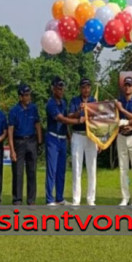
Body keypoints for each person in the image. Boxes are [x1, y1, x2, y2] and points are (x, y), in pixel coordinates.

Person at [45, 76, 84, 206]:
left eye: (62, 88)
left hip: (62, 139)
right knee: (52, 170)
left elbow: (67, 118)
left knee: (61, 170)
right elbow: (62, 119)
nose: (61, 90)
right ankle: (50, 199)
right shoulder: (51, 103)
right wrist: (78, 121)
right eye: (58, 88)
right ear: (53, 89)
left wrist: (78, 113)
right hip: (52, 138)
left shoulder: (63, 102)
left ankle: (59, 198)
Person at [8, 84, 42, 205]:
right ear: (20, 97)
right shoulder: (14, 110)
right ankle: (17, 199)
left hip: (32, 141)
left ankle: (31, 200)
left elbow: (37, 125)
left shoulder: (33, 108)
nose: (29, 97)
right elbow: (10, 131)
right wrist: (12, 150)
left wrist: (39, 141)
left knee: (32, 171)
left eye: (29, 95)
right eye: (26, 95)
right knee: (18, 172)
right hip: (19, 142)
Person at [114, 76, 132, 206]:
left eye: (129, 85)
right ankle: (125, 197)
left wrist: (122, 110)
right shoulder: (119, 100)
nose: (127, 87)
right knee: (123, 168)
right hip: (121, 136)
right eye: (125, 85)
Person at [68, 77, 97, 206]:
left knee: (92, 168)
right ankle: (76, 200)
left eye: (88, 87)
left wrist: (100, 139)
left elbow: (98, 119)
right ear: (80, 88)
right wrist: (79, 111)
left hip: (91, 135)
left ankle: (91, 199)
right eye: (84, 87)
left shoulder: (94, 101)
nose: (86, 89)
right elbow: (69, 116)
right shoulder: (75, 100)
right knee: (77, 168)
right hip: (78, 135)